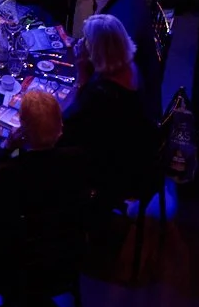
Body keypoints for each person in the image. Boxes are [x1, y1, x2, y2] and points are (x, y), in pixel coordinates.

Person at [66, 15, 157, 200]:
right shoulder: (130, 66)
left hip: (116, 172)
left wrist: (81, 76)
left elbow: (69, 124)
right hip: (136, 152)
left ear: (99, 51)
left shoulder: (102, 95)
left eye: (87, 40)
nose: (82, 43)